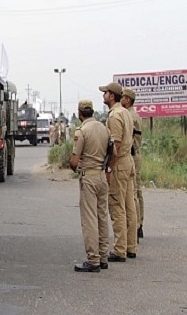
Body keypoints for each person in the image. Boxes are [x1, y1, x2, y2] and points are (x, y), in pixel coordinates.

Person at [70, 99, 110, 272]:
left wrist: (75, 167)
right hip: (102, 176)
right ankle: (103, 257)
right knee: (102, 217)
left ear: (79, 114)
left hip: (89, 178)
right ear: (92, 111)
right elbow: (113, 152)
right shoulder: (104, 128)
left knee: (90, 220)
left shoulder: (82, 131)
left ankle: (93, 260)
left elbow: (74, 161)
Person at [99, 81, 138, 262]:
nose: (103, 95)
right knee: (130, 205)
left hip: (120, 163)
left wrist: (109, 168)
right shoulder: (126, 113)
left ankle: (120, 249)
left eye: (105, 93)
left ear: (112, 96)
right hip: (129, 162)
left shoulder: (115, 116)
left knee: (117, 205)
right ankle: (131, 246)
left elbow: (116, 145)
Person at [121, 87, 144, 241]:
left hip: (132, 154)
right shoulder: (134, 114)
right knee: (137, 190)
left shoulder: (130, 116)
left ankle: (135, 226)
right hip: (136, 154)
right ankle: (140, 223)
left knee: (133, 192)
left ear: (127, 100)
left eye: (122, 97)